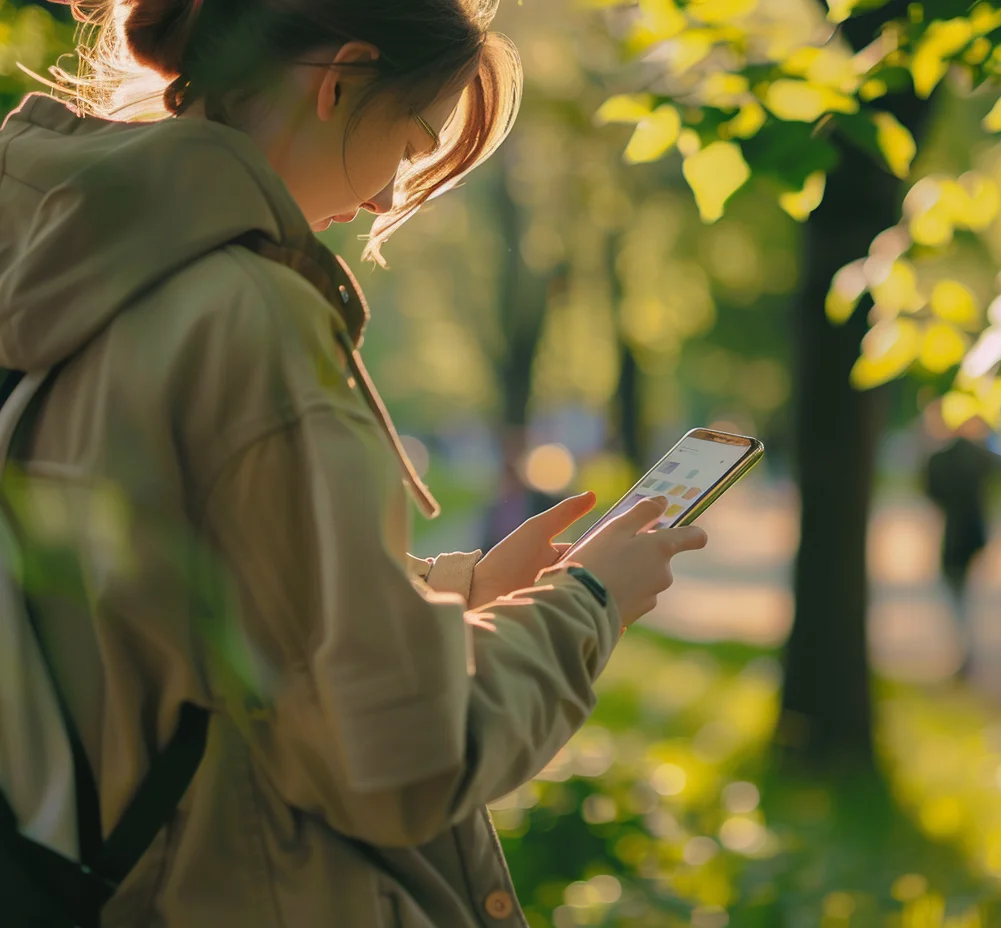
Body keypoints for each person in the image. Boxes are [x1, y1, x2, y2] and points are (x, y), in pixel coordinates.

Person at [0, 1, 706, 925]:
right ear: (340, 81)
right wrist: (588, 606)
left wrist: (462, 586)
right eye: (411, 147)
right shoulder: (250, 322)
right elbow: (406, 758)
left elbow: (187, 593)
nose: (383, 201)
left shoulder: (60, 260)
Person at [920, 404, 999, 680]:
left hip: (954, 534)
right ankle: (964, 649)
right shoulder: (979, 456)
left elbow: (931, 492)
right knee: (961, 591)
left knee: (956, 592)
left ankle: (963, 650)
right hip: (975, 532)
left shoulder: (940, 458)